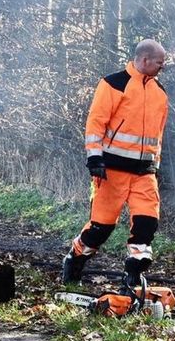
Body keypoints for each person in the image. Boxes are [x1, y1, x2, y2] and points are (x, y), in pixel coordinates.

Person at [61, 39, 169, 291]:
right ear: (144, 60)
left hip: (144, 173)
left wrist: (156, 166)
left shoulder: (160, 93)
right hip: (111, 171)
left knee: (146, 224)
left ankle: (132, 277)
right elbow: (95, 123)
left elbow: (159, 136)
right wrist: (94, 157)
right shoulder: (112, 84)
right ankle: (75, 258)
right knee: (101, 228)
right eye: (159, 63)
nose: (162, 68)